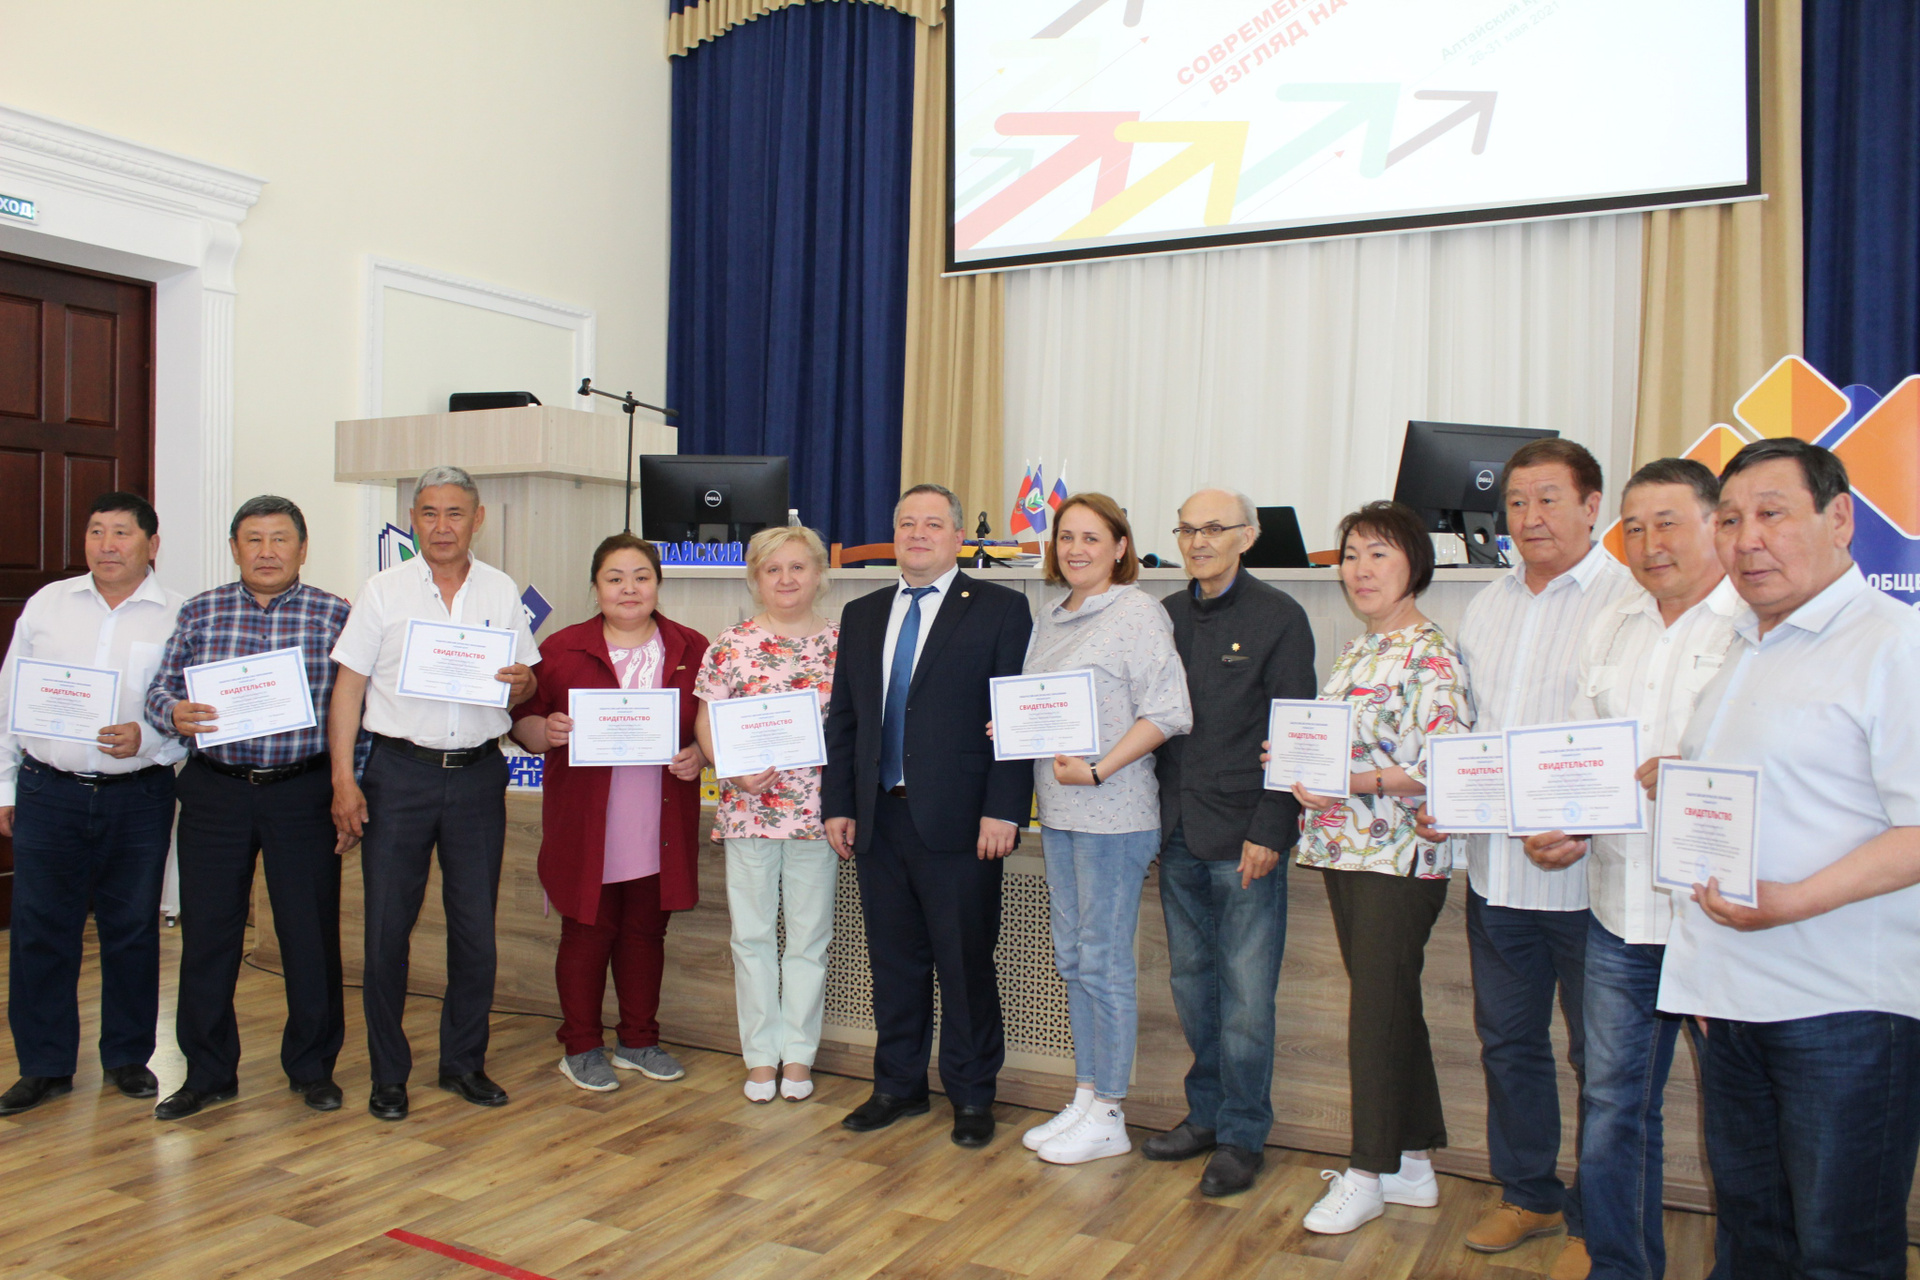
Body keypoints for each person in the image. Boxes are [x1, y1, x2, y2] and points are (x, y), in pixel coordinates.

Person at [1657, 438, 1920, 1279]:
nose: (1747, 540)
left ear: (1839, 518)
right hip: (1734, 1002)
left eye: (1771, 514)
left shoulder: (1894, 645)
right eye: (1730, 520)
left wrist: (1793, 901)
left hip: (1843, 1009)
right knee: (1753, 1239)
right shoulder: (1744, 642)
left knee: (1841, 1252)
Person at [1519, 460, 1738, 1280]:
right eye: (1635, 527)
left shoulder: (1753, 626)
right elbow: (1585, 755)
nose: (1649, 544)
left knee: (1739, 1118)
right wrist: (1563, 826)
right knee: (1614, 1107)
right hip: (1618, 912)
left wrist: (1697, 773)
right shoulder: (1614, 624)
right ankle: (1621, 1267)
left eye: (1668, 523)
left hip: (1721, 919)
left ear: (1716, 523)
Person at [1443, 437, 1636, 1276]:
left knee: (1603, 1064)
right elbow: (1472, 727)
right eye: (1517, 502)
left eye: (1549, 499)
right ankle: (1528, 1194)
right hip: (1499, 873)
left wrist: (1589, 825)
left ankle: (1598, 1224)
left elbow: (1641, 738)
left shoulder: (1630, 603)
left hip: (1594, 881)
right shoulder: (1485, 604)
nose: (1530, 517)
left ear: (1592, 506)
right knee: (1508, 1043)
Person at [823, 483, 1034, 1149]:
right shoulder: (861, 613)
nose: (918, 534)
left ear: (957, 538)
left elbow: (1015, 717)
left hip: (963, 823)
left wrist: (1005, 809)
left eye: (933, 524)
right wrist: (839, 804)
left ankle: (972, 1095)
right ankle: (898, 1086)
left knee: (965, 965)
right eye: (907, 523)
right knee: (894, 963)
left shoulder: (1002, 609)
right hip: (878, 820)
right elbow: (845, 719)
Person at [328, 465, 538, 1121]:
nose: (441, 526)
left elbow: (526, 683)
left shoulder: (501, 589)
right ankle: (388, 1075)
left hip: (477, 775)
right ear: (413, 520)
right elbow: (348, 690)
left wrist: (523, 684)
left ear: (478, 520)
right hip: (400, 775)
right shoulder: (383, 591)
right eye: (429, 513)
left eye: (455, 513)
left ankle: (463, 1064)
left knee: (475, 931)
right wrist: (343, 779)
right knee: (387, 931)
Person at [1291, 501, 1474, 1235]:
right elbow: (1341, 749)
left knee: (1375, 1014)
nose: (1360, 570)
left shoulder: (1431, 654)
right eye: (1351, 555)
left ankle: (1367, 1172)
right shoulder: (1358, 650)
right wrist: (1297, 765)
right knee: (1390, 1006)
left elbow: (1438, 766)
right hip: (1348, 849)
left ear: (1414, 566)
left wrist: (1349, 781)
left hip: (1399, 859)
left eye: (1378, 554)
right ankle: (1413, 1165)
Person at [144, 495, 358, 1119]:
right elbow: (160, 690)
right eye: (254, 540)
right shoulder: (201, 610)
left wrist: (350, 786)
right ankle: (207, 1073)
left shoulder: (334, 615)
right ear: (235, 549)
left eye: (280, 539)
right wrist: (174, 712)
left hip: (301, 791)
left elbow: (357, 709)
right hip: (217, 790)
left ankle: (312, 1068)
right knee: (208, 935)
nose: (267, 552)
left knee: (308, 934)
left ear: (302, 548)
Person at [1142, 488, 1313, 1196]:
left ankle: (1243, 1134)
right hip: (1176, 830)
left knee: (1245, 997)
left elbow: (1295, 731)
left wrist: (1272, 827)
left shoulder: (1280, 616)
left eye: (1214, 528)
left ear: (1247, 536)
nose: (1198, 541)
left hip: (1245, 836)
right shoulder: (1163, 615)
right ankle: (1205, 1115)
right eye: (1187, 529)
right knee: (1192, 985)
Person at [1018, 492, 1192, 1166]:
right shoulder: (1050, 617)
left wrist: (1098, 770)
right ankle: (1087, 1094)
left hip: (1114, 816)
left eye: (1092, 538)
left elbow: (1168, 711)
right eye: (1066, 537)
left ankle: (1112, 1111)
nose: (1076, 549)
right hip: (1059, 814)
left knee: (1104, 961)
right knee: (1072, 957)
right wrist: (1015, 727)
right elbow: (1044, 708)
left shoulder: (1137, 613)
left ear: (1121, 547)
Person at [0, 492, 185, 1117]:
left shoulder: (179, 615)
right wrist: (4, 786)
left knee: (131, 929)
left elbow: (193, 712)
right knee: (40, 931)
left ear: (151, 545)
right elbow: (9, 700)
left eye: (122, 532)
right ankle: (44, 1065)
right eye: (97, 531)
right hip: (47, 790)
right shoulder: (48, 605)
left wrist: (151, 739)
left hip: (139, 795)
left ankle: (128, 1057)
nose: (107, 545)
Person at [510, 533, 707, 1092]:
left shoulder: (691, 647)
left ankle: (639, 1040)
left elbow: (708, 725)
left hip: (658, 819)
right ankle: (580, 1046)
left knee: (646, 931)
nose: (629, 588)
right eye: (615, 578)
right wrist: (545, 732)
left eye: (641, 577)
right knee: (587, 932)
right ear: (595, 587)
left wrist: (699, 754)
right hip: (587, 820)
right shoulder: (561, 649)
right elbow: (523, 722)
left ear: (658, 585)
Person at [694, 526, 839, 1103]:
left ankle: (798, 1055)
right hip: (748, 810)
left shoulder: (842, 644)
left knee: (809, 939)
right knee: (751, 938)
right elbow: (706, 720)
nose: (786, 579)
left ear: (819, 575)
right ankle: (760, 1057)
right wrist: (730, 769)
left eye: (798, 567)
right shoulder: (731, 643)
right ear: (756, 578)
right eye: (773, 568)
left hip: (818, 816)